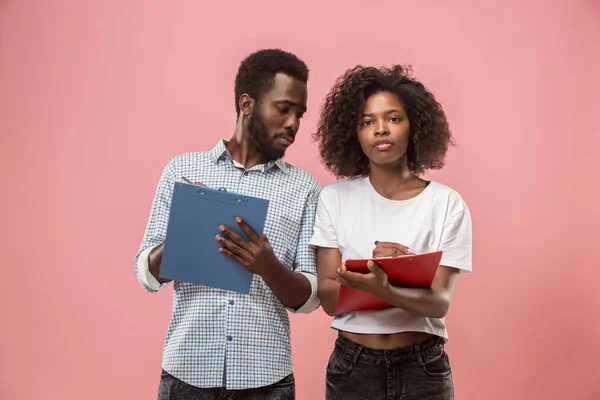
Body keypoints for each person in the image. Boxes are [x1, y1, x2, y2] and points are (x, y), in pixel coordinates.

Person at [134, 49, 321, 400]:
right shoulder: (182, 171)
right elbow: (146, 275)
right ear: (247, 104)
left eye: (300, 113)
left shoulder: (305, 188)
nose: (294, 123)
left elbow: (311, 298)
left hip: (267, 381)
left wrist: (267, 267)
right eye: (284, 109)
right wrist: (189, 226)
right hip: (186, 375)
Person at [310, 65, 472, 400]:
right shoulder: (333, 199)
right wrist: (395, 280)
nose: (380, 129)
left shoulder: (446, 204)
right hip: (352, 365)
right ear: (353, 134)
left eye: (393, 118)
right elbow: (328, 299)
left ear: (414, 126)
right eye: (367, 121)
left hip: (423, 366)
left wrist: (384, 285)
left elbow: (439, 302)